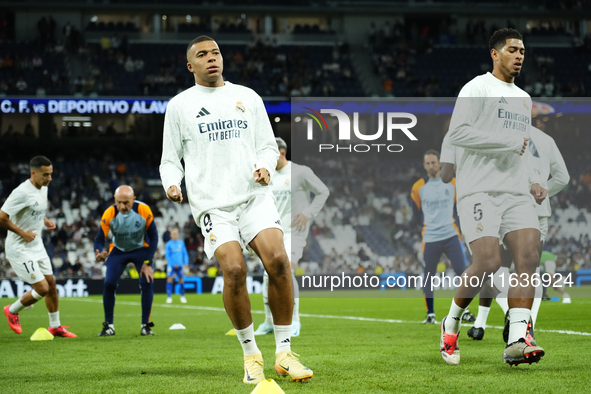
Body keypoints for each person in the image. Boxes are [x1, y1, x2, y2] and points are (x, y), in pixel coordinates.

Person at [159, 35, 313, 384]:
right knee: (234, 271)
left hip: (253, 196)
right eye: (202, 54)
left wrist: (265, 165)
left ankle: (285, 353)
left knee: (278, 261)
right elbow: (170, 159)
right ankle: (251, 356)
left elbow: (266, 146)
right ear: (190, 66)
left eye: (215, 52)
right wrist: (172, 183)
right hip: (213, 204)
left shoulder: (248, 97)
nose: (211, 58)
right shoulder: (180, 106)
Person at [439, 28, 547, 366]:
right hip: (479, 189)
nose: (519, 56)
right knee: (488, 263)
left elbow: (524, 147)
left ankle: (517, 338)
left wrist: (532, 180)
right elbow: (457, 133)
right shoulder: (476, 88)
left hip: (516, 191)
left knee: (529, 256)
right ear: (495, 54)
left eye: (523, 52)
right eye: (513, 50)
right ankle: (451, 322)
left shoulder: (524, 99)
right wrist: (506, 143)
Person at [254, 137, 329, 337]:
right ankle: (269, 322)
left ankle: (294, 321)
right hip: (273, 231)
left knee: (287, 269)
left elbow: (323, 191)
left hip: (294, 231)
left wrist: (308, 214)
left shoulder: (300, 172)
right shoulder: (266, 176)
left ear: (282, 153)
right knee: (266, 275)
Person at [1, 156, 77, 338]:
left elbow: (34, 210)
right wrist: (23, 233)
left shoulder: (43, 188)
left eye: (51, 174)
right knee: (42, 288)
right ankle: (12, 310)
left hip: (37, 245)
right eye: (46, 175)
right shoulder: (21, 192)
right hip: (20, 248)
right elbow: (2, 217)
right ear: (33, 173)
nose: (50, 178)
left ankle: (55, 326)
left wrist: (44, 220)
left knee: (51, 285)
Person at [410, 149, 475, 325]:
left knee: (462, 272)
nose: (431, 166)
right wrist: (425, 227)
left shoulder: (453, 183)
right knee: (428, 276)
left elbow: (460, 207)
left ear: (440, 163)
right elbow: (416, 214)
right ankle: (430, 314)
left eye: (434, 162)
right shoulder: (418, 188)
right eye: (428, 163)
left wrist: (461, 229)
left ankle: (466, 311)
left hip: (451, 235)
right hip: (430, 237)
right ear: (424, 166)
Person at [94, 185, 158, 337]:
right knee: (109, 283)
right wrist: (97, 252)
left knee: (146, 282)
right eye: (119, 202)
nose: (122, 206)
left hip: (140, 249)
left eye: (126, 203)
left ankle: (146, 326)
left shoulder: (144, 210)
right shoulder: (109, 213)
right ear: (114, 200)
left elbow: (154, 236)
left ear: (133, 200)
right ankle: (109, 326)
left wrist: (147, 263)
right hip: (118, 250)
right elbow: (99, 239)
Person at [165, 229, 189, 304]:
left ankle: (182, 296)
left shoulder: (181, 243)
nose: (174, 235)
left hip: (180, 265)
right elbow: (167, 255)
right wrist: (173, 264)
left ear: (177, 235)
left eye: (176, 234)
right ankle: (169, 297)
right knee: (169, 279)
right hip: (171, 265)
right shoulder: (168, 244)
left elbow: (184, 253)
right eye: (173, 234)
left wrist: (186, 262)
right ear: (171, 235)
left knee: (181, 280)